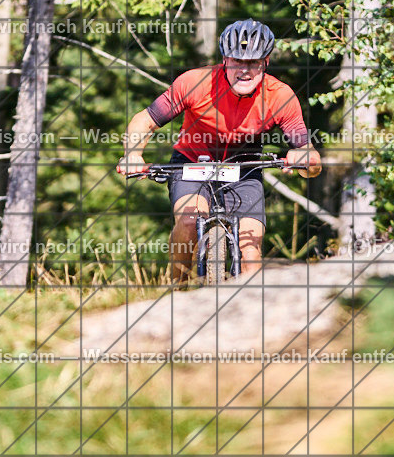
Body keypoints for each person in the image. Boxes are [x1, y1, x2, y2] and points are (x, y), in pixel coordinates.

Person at [116, 18, 322, 282]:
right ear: (225, 59)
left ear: (266, 63)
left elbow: (311, 160)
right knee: (190, 223)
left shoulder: (280, 96)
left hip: (244, 170)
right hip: (191, 163)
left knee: (250, 253)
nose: (244, 71)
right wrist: (133, 154)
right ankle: (176, 291)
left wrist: (304, 160)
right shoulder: (195, 82)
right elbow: (144, 121)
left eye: (253, 63)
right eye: (237, 61)